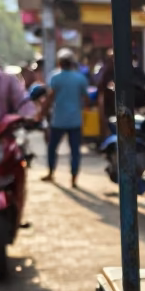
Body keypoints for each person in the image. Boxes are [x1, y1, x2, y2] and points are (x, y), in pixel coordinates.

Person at [41, 48, 89, 187]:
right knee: (75, 151)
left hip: (58, 120)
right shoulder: (80, 78)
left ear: (60, 63)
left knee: (52, 148)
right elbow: (86, 99)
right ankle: (74, 178)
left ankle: (51, 172)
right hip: (75, 120)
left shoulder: (55, 77)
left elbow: (50, 98)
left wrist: (41, 113)